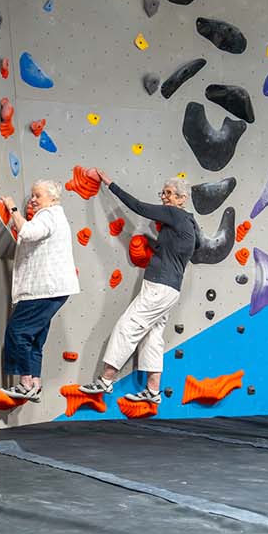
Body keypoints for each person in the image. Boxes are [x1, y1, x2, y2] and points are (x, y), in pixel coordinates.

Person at [75, 171, 197, 403]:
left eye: (170, 194)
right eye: (163, 193)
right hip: (171, 289)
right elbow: (197, 245)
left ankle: (106, 380)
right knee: (153, 336)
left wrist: (110, 184)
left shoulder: (174, 214)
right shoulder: (190, 223)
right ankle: (152, 391)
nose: (164, 198)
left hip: (160, 286)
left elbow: (139, 206)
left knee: (127, 327)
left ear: (182, 199)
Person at [0, 180, 79, 401]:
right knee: (34, 337)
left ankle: (24, 383)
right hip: (53, 290)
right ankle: (34, 383)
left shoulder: (48, 215)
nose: (33, 200)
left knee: (18, 332)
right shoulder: (56, 216)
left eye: (38, 196)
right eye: (32, 195)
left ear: (52, 198)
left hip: (43, 288)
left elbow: (29, 232)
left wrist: (12, 208)